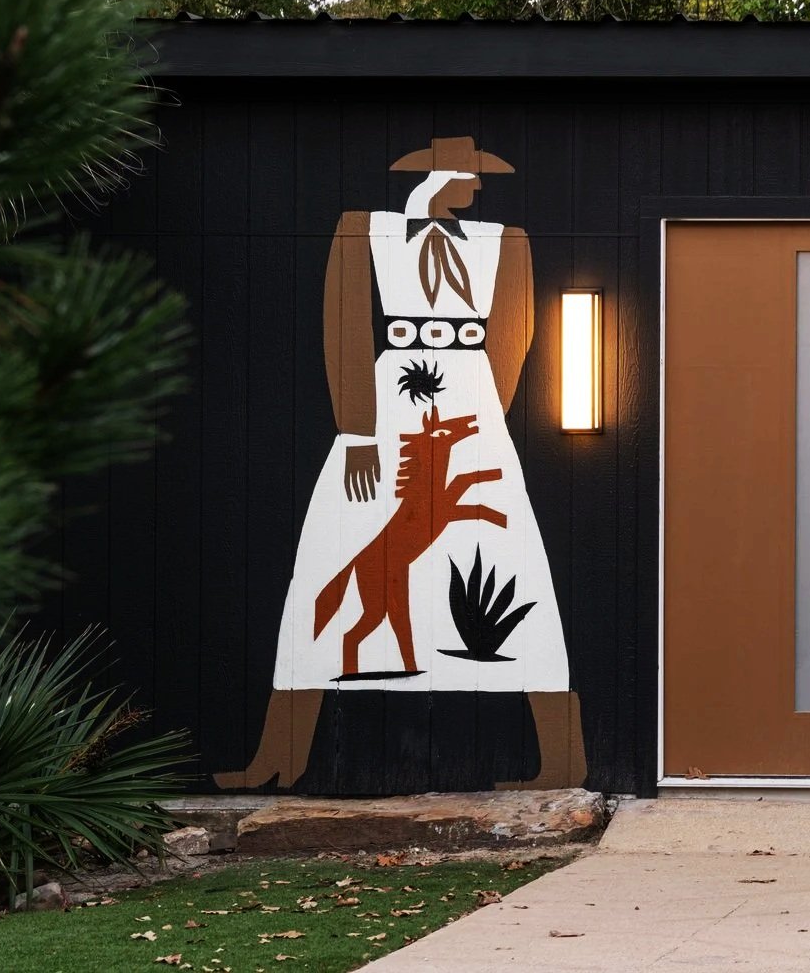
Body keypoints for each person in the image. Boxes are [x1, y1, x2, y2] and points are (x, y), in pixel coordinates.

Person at [217, 137, 584, 791]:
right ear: (443, 176)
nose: (475, 188)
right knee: (334, 557)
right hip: (388, 405)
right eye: (467, 177)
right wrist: (359, 430)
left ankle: (560, 758)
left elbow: (512, 336)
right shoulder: (367, 230)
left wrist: (477, 416)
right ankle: (281, 753)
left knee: (506, 557)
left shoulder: (509, 240)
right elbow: (347, 326)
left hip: (469, 409)